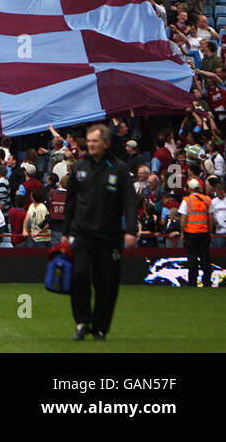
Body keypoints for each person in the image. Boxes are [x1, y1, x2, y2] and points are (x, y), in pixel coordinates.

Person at [62, 122, 139, 341]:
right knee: (79, 276)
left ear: (106, 142)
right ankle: (81, 321)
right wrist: (66, 233)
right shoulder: (78, 168)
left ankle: (100, 328)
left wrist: (131, 230)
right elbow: (70, 203)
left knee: (107, 284)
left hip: (109, 237)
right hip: (82, 234)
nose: (91, 145)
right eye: (89, 141)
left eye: (95, 141)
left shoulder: (120, 169)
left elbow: (130, 202)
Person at [178, 178, 212, 287]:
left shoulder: (187, 200)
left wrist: (182, 233)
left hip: (191, 233)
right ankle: (207, 280)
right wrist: (210, 231)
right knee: (205, 257)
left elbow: (183, 218)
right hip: (204, 232)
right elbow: (210, 217)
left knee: (192, 257)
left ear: (190, 189)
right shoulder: (207, 199)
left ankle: (192, 281)